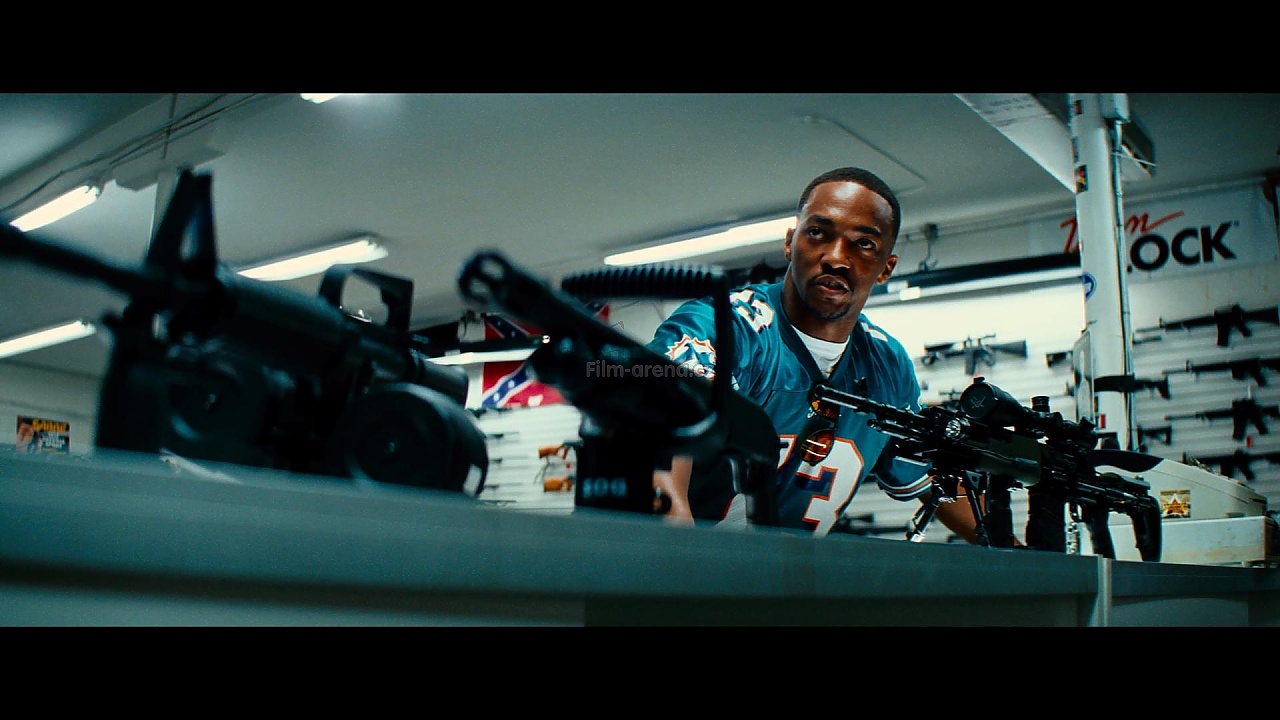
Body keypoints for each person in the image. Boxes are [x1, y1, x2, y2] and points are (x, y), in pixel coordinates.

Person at [647, 166, 979, 542]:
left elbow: (936, 480)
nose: (836, 258)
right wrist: (680, 561)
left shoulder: (887, 364)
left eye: (863, 244)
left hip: (781, 578)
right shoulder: (722, 326)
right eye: (818, 233)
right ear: (791, 242)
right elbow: (664, 448)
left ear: (886, 268)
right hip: (676, 568)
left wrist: (1017, 551)